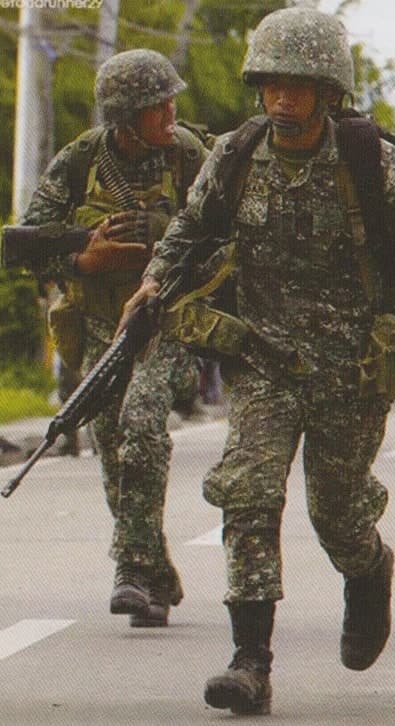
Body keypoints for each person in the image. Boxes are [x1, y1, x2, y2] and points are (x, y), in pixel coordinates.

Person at [122, 8, 395, 714]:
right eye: (272, 85)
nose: (283, 100)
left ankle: (369, 571)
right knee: (249, 495)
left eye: (298, 87)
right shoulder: (236, 153)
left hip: (352, 371)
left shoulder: (369, 162)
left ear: (327, 91)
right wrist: (155, 280)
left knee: (337, 516)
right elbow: (191, 229)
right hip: (263, 361)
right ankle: (250, 657)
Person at [21, 49, 207, 628]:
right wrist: (83, 258)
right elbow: (30, 242)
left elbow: (228, 237)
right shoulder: (80, 161)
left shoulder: (190, 158)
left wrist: (162, 236)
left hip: (166, 322)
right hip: (101, 325)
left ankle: (129, 565)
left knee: (141, 423)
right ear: (126, 117)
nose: (170, 111)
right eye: (158, 105)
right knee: (111, 447)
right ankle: (154, 570)